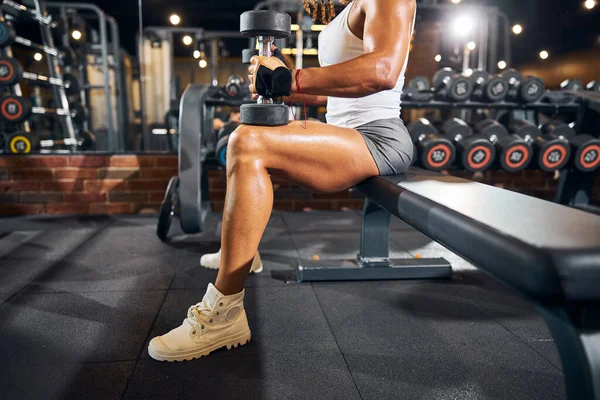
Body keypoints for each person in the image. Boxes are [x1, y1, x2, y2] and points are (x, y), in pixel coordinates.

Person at [148, 0, 417, 362]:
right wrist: (278, 81)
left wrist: (291, 78)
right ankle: (245, 253)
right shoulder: (347, 9)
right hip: (343, 132)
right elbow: (330, 91)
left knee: (248, 142)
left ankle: (224, 313)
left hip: (376, 138)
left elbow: (382, 70)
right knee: (238, 139)